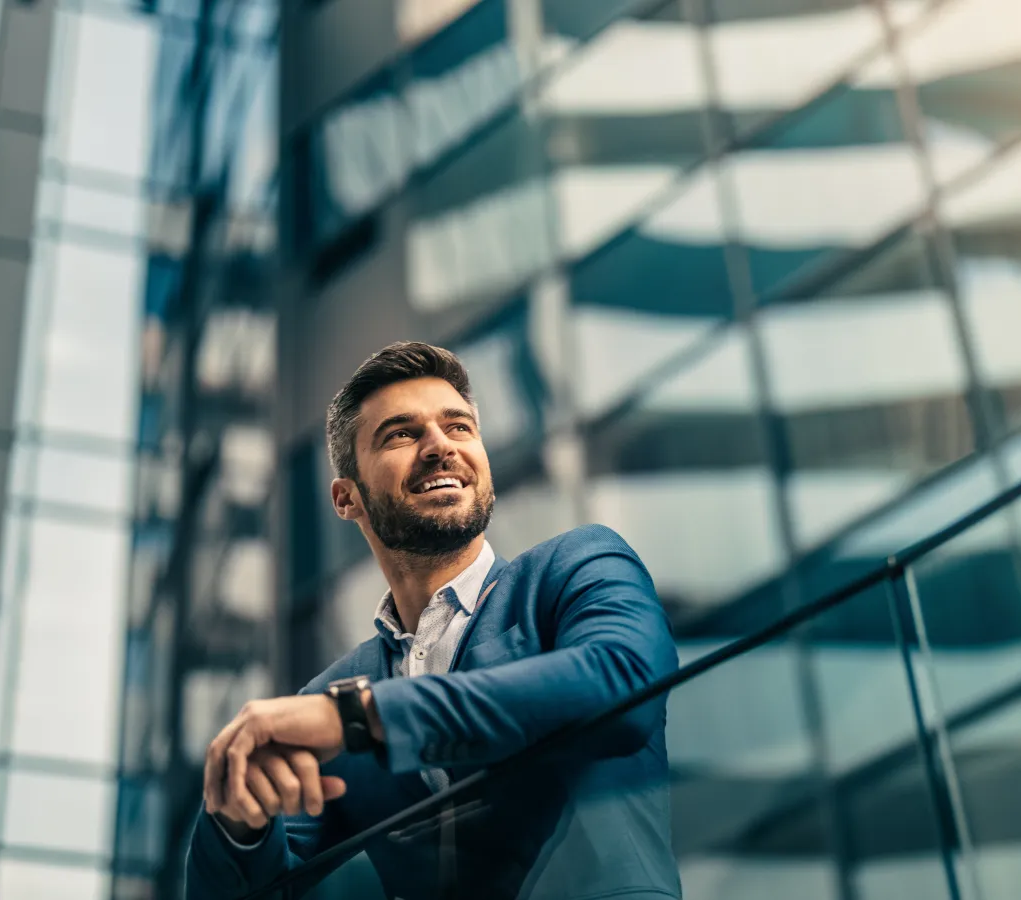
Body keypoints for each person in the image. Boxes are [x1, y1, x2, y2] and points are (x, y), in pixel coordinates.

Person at [184, 342, 681, 900]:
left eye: (460, 427)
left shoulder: (577, 566)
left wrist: (363, 719)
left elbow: (624, 683)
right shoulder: (331, 694)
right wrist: (236, 819)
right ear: (347, 499)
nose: (440, 446)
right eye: (401, 433)